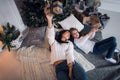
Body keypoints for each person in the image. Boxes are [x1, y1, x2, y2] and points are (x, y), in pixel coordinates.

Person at [45, 9, 88, 80]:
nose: (68, 34)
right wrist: (49, 20)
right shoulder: (54, 42)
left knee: (84, 78)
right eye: (67, 32)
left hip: (72, 64)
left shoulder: (69, 43)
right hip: (59, 67)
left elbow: (70, 54)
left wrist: (70, 72)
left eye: (69, 35)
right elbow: (50, 34)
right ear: (62, 33)